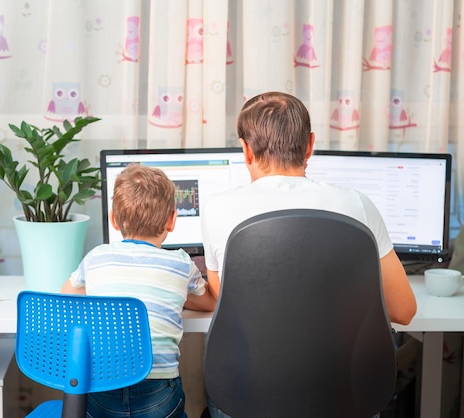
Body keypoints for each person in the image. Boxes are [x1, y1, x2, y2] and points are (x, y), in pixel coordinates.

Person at [201, 91, 417, 325]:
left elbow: (221, 299)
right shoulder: (357, 205)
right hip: (338, 362)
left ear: (246, 150)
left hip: (247, 361)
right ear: (310, 145)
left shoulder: (216, 209)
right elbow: (403, 311)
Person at [62, 163, 216, 418]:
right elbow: (210, 302)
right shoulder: (180, 262)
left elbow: (67, 295)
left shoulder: (96, 257)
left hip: (103, 391)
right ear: (172, 220)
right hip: (158, 395)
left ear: (113, 218)